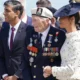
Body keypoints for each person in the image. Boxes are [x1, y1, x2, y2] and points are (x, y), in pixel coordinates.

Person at [22, 7, 66, 80]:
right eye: (32, 20)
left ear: (47, 21)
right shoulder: (30, 33)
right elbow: (25, 60)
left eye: (35, 20)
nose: (33, 23)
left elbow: (61, 60)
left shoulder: (59, 35)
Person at [43, 3, 80, 80]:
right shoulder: (68, 37)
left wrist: (51, 70)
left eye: (63, 17)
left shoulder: (76, 39)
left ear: (72, 19)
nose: (59, 19)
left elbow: (71, 69)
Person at [0, 1, 32, 80]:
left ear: (17, 13)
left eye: (7, 11)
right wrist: (4, 75)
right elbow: (1, 55)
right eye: (4, 10)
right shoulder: (4, 30)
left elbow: (29, 56)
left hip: (23, 76)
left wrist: (16, 76)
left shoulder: (28, 30)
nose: (4, 13)